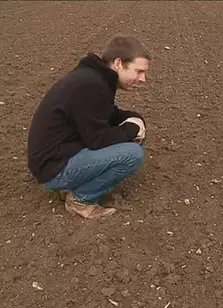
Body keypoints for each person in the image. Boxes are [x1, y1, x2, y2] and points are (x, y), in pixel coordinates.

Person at [27, 35, 151, 219]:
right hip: (53, 167)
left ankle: (76, 185)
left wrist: (136, 120)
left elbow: (109, 114)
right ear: (118, 63)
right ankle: (80, 199)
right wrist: (132, 129)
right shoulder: (90, 85)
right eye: (139, 71)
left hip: (60, 156)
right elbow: (98, 140)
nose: (143, 79)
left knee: (132, 140)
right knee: (132, 154)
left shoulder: (95, 78)